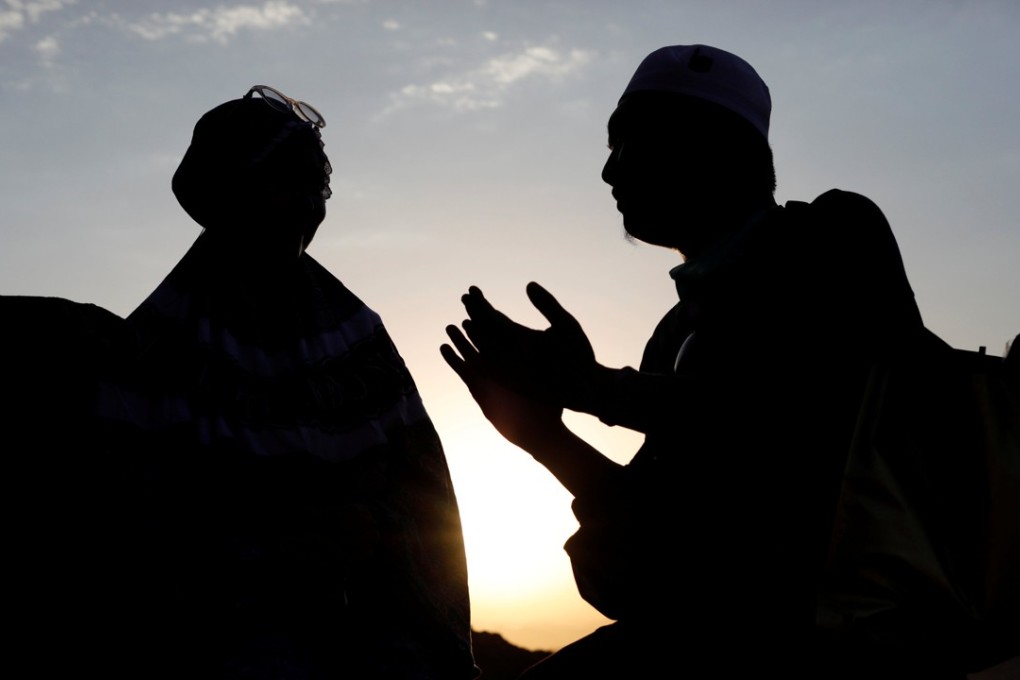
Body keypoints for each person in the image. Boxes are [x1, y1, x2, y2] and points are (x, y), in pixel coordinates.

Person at [440, 44, 962, 678]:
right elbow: (651, 565)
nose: (608, 173)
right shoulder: (676, 333)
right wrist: (546, 437)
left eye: (626, 142)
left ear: (704, 148)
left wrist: (594, 388)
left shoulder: (838, 238)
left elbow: (789, 410)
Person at [83, 86, 477, 678]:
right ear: (229, 194)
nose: (309, 205)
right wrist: (271, 551)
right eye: (287, 182)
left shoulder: (357, 339)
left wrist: (376, 537)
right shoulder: (154, 352)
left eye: (317, 186)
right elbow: (122, 539)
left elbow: (424, 502)